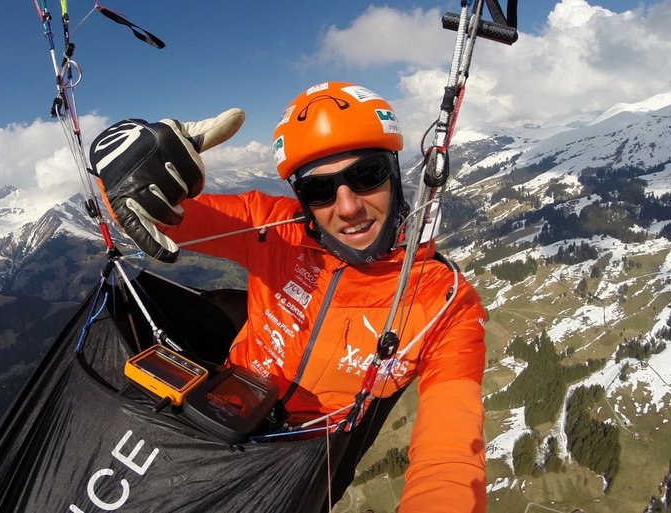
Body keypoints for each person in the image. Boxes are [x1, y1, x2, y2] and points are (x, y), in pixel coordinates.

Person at [89, 81, 488, 513]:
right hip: (219, 419)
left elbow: (450, 452)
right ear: (302, 198)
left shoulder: (443, 302)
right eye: (319, 190)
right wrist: (126, 163)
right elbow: (157, 215)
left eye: (366, 175)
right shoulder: (273, 227)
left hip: (300, 472)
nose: (348, 207)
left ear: (393, 173)